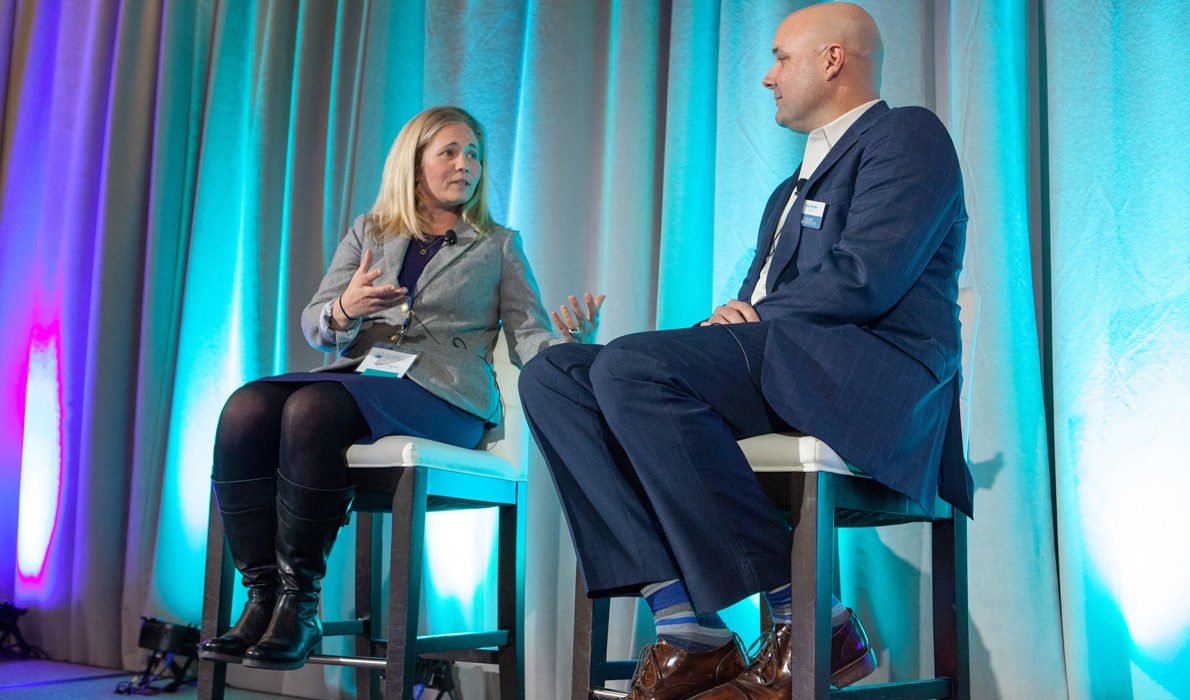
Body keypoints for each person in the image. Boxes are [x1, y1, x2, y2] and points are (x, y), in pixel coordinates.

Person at [518, 3, 971, 699]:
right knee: (555, 375)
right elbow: (753, 311)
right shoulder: (785, 191)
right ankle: (688, 627)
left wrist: (748, 319)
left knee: (634, 365)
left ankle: (812, 618)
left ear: (831, 60)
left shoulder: (909, 135)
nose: (766, 77)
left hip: (871, 379)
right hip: (788, 364)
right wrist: (725, 326)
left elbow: (866, 277)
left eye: (782, 57)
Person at [197, 106, 604, 671]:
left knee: (312, 409)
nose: (466, 165)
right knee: (245, 407)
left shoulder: (498, 245)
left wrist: (570, 344)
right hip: (367, 380)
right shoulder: (371, 231)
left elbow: (529, 337)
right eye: (451, 152)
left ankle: (301, 604)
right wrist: (347, 308)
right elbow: (316, 322)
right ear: (414, 165)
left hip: (446, 397)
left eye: (474, 155)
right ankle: (262, 596)